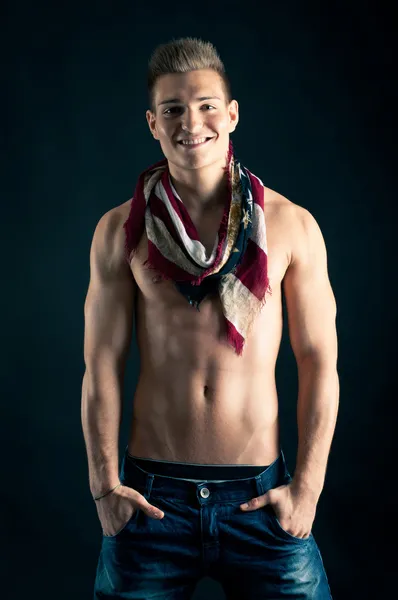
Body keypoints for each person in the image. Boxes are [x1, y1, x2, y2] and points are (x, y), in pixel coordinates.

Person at [82, 36, 339, 599]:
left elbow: (320, 361)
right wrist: (105, 487)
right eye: (172, 109)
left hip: (261, 501)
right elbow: (101, 364)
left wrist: (308, 491)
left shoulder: (291, 226)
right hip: (152, 503)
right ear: (153, 123)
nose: (189, 122)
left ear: (231, 114)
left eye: (204, 106)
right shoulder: (118, 231)